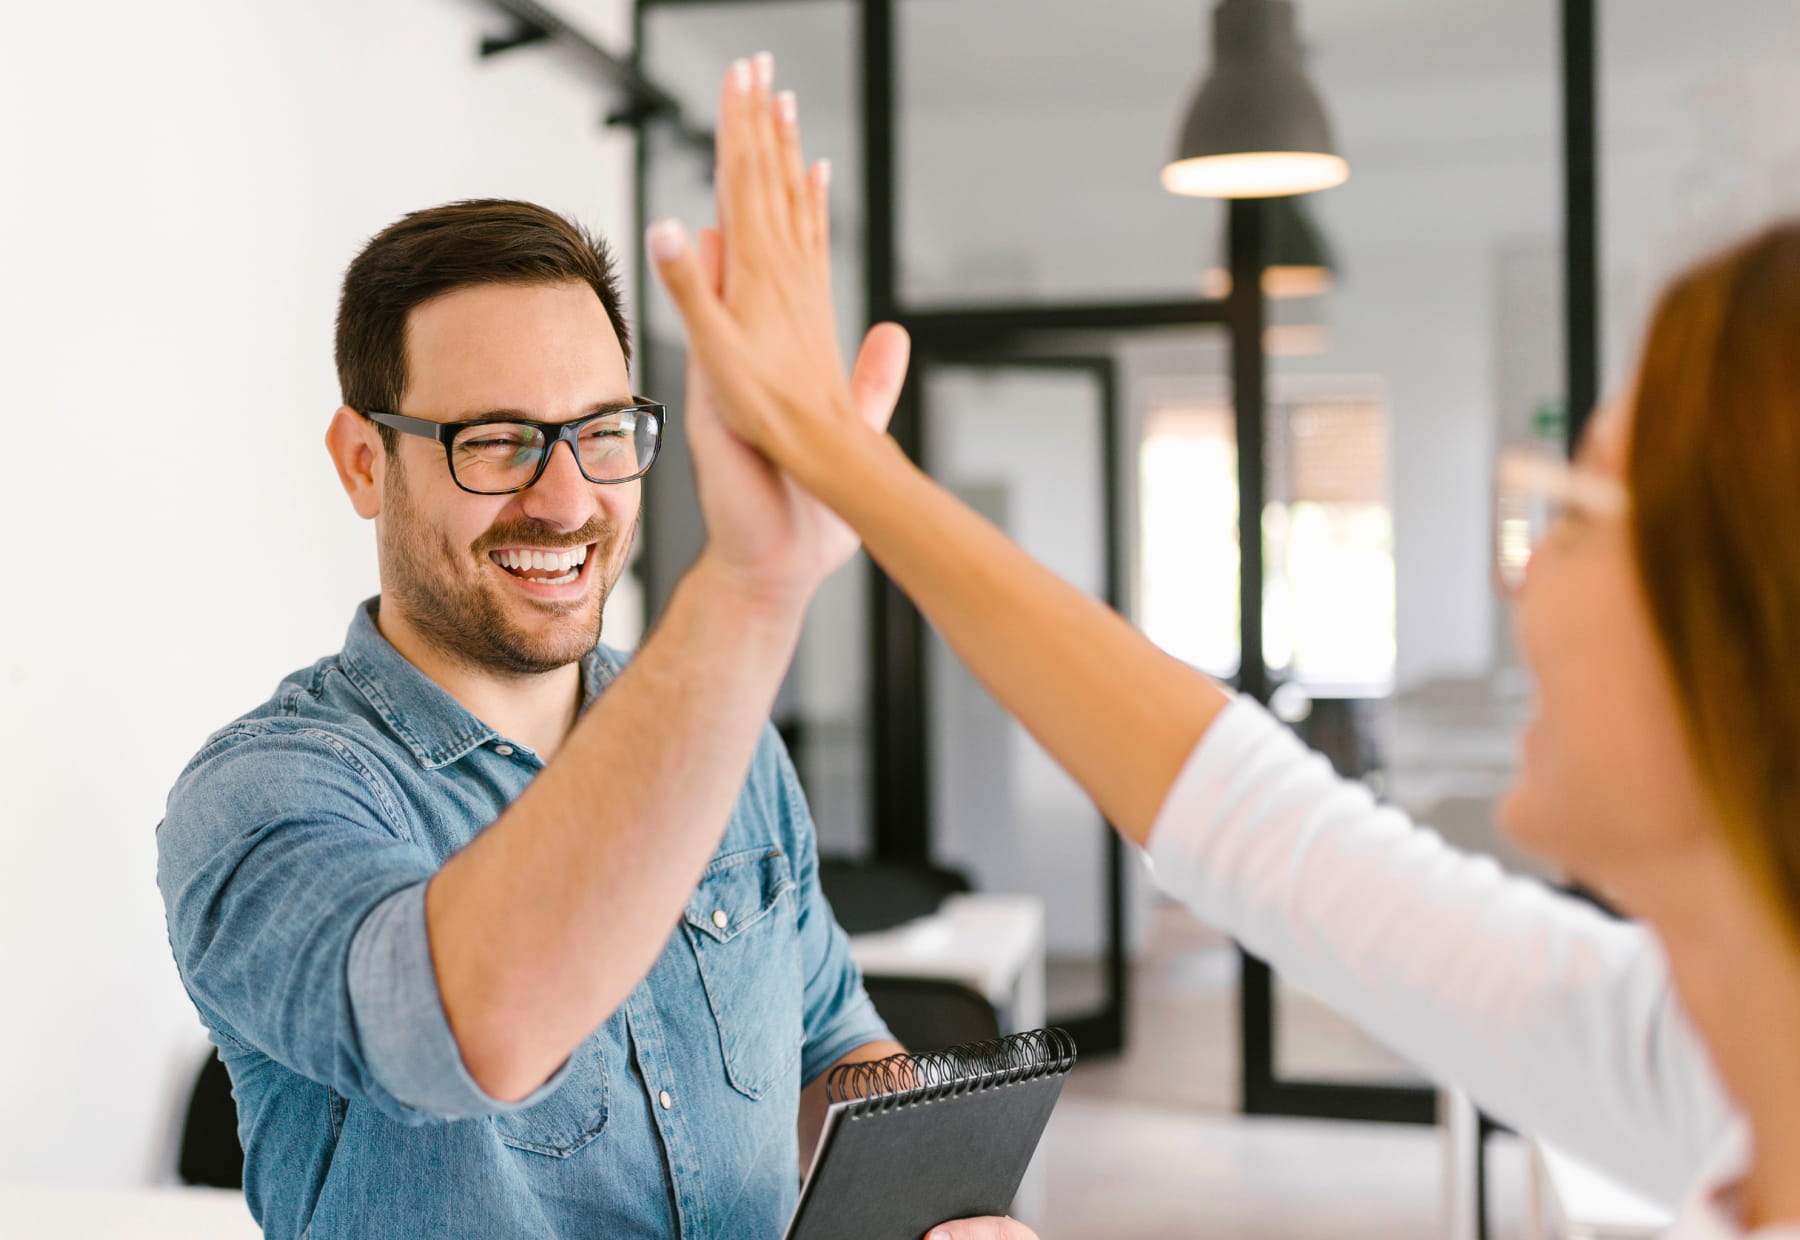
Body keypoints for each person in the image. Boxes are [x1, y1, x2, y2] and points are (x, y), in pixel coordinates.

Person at [649, 53, 1800, 1238]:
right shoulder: (1697, 1052)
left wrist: (837, 473)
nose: (1522, 574)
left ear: (1752, 622)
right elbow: (1246, 811)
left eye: (1575, 516)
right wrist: (845, 477)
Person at [155, 188, 927, 1238]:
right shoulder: (264, 795)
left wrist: (932, 1196)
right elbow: (467, 1026)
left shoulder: (733, 749)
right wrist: (748, 590)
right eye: (497, 441)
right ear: (362, 462)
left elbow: (836, 1044)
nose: (567, 501)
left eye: (601, 432)